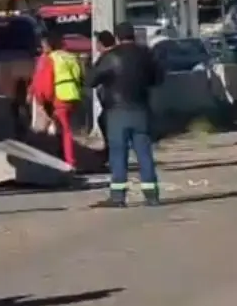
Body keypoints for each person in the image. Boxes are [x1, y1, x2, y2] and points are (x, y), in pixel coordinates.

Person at [84, 21, 164, 208]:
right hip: (141, 109)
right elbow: (158, 79)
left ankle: (118, 196)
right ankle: (151, 195)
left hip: (117, 112)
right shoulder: (146, 54)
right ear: (134, 35)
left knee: (118, 154)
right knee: (144, 153)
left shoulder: (110, 57)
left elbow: (91, 80)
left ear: (118, 37)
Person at [43, 30, 83, 169]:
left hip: (59, 96)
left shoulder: (51, 58)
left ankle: (69, 161)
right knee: (68, 129)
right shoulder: (71, 56)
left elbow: (48, 81)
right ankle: (68, 157)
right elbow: (80, 76)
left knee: (65, 131)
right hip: (74, 95)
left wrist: (46, 100)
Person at [93, 30, 117, 165]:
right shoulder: (119, 54)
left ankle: (110, 152)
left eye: (97, 42)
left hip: (112, 101)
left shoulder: (105, 58)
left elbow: (93, 79)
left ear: (101, 44)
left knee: (105, 122)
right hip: (117, 100)